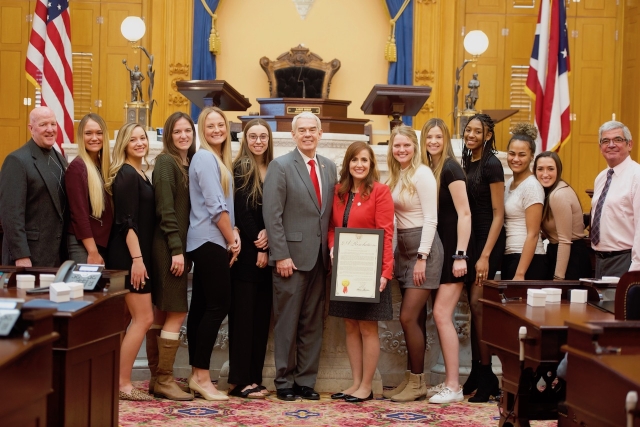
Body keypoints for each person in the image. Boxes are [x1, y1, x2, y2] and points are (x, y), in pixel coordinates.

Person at [262, 111, 337, 401]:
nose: (307, 134)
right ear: (293, 136)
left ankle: (306, 381)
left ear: (320, 134)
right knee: (286, 323)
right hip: (289, 260)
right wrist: (280, 255)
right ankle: (284, 381)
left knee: (312, 323)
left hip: (320, 260)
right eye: (301, 130)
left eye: (312, 129)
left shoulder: (329, 168)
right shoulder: (280, 166)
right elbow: (273, 214)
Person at [327, 142, 394, 403]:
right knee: (350, 325)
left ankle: (367, 385)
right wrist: (333, 247)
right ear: (348, 163)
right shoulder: (338, 192)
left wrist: (385, 272)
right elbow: (333, 228)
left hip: (371, 270)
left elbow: (386, 233)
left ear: (371, 164)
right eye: (355, 160)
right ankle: (355, 383)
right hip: (345, 269)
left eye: (364, 160)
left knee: (368, 327)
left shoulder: (380, 191)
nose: (359, 164)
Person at [384, 125, 443, 403]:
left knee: (407, 317)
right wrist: (395, 254)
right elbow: (395, 221)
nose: (402, 150)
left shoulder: (422, 174)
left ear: (415, 147)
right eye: (397, 146)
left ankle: (419, 382)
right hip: (405, 250)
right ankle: (412, 378)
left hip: (424, 250)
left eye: (406, 145)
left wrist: (421, 258)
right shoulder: (398, 175)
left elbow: (431, 219)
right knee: (415, 319)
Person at [186, 106, 239, 401]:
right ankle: (202, 376)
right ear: (201, 130)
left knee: (202, 307)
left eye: (220, 125)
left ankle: (196, 375)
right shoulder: (205, 157)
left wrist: (234, 234)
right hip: (209, 239)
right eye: (210, 126)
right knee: (219, 306)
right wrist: (232, 241)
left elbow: (225, 208)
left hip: (209, 239)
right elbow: (216, 207)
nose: (216, 130)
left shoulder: (215, 158)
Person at [147, 112, 196, 401]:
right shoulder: (166, 162)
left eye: (187, 130)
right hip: (167, 247)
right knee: (177, 311)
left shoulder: (186, 163)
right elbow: (165, 210)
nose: (183, 136)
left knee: (161, 313)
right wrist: (177, 250)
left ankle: (156, 378)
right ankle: (164, 379)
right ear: (169, 135)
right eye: (177, 131)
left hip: (174, 247)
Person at [421, 119, 471, 404]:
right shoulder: (431, 168)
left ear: (446, 139)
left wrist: (460, 255)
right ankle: (448, 381)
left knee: (442, 315)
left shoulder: (451, 167)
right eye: (429, 136)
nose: (433, 141)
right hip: (442, 251)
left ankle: (454, 386)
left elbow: (464, 214)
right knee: (440, 317)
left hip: (456, 251)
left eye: (438, 136)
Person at [105, 122, 155, 401]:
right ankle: (123, 383)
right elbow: (127, 223)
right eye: (133, 139)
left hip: (137, 254)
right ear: (123, 144)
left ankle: (114, 378)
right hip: (129, 255)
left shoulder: (139, 172)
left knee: (129, 319)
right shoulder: (125, 174)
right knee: (143, 317)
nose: (139, 143)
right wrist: (137, 259)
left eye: (143, 138)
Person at [227, 119, 274, 399]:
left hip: (267, 253)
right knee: (243, 319)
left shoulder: (273, 167)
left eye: (262, 136)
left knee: (260, 319)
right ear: (245, 139)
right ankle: (239, 381)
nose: (258, 141)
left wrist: (269, 236)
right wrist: (259, 242)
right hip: (247, 254)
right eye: (253, 136)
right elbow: (242, 209)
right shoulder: (243, 166)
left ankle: (254, 378)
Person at [461, 113, 505, 402]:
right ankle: (478, 370)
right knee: (472, 305)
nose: (472, 135)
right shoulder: (467, 161)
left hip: (487, 239)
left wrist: (485, 256)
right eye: (469, 130)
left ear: (488, 136)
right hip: (471, 240)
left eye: (478, 131)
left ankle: (489, 374)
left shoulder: (492, 164)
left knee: (478, 306)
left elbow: (499, 214)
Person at [0, 106, 67, 267]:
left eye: (53, 124)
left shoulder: (60, 160)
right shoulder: (17, 161)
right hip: (29, 257)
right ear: (31, 128)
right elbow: (11, 214)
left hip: (57, 256)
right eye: (43, 124)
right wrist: (21, 255)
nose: (50, 129)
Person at [590, 121, 640, 277]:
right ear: (600, 148)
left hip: (626, 260)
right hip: (600, 260)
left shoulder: (636, 176)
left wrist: (636, 267)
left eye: (617, 140)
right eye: (605, 141)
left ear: (629, 144)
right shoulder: (601, 178)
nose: (611, 145)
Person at [534, 151, 591, 280]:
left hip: (571, 258)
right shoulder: (549, 191)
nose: (545, 174)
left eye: (550, 169)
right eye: (540, 169)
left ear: (558, 170)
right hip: (559, 252)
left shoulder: (558, 194)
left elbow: (565, 241)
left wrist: (558, 279)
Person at [65, 114, 113, 265]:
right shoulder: (77, 168)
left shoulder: (103, 166)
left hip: (101, 243)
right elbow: (79, 215)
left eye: (99, 133)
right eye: (88, 133)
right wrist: (92, 252)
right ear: (81, 136)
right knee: (86, 289)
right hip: (84, 246)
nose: (94, 138)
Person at [501, 123, 547, 281]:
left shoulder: (532, 186)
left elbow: (533, 234)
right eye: (511, 153)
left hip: (527, 260)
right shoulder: (509, 183)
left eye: (522, 154)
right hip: (511, 255)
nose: (515, 159)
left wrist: (520, 273)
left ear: (532, 156)